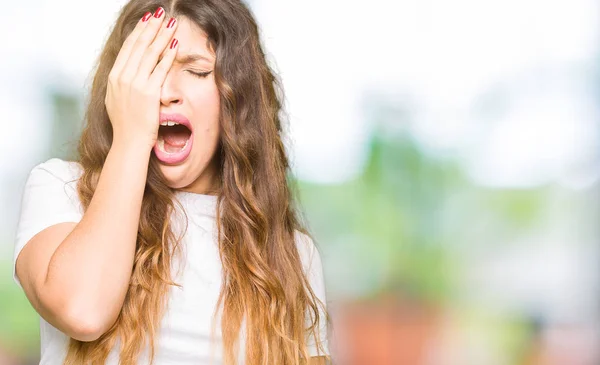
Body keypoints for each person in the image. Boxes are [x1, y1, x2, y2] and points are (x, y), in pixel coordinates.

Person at [12, 1, 330, 364]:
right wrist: (131, 136)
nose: (166, 93)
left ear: (236, 97)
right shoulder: (62, 191)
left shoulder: (291, 253)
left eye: (196, 71)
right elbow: (83, 312)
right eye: (149, 71)